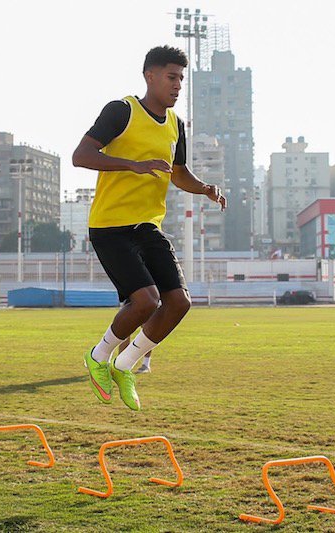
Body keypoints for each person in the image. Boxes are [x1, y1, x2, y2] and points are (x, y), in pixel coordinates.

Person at [73, 45, 226, 410]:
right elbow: (81, 156)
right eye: (172, 78)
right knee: (146, 300)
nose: (177, 86)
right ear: (150, 76)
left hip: (148, 227)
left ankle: (125, 364)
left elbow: (179, 173)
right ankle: (99, 356)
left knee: (178, 302)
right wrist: (133, 165)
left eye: (181, 80)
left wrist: (204, 188)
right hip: (111, 226)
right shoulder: (121, 111)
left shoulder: (176, 125)